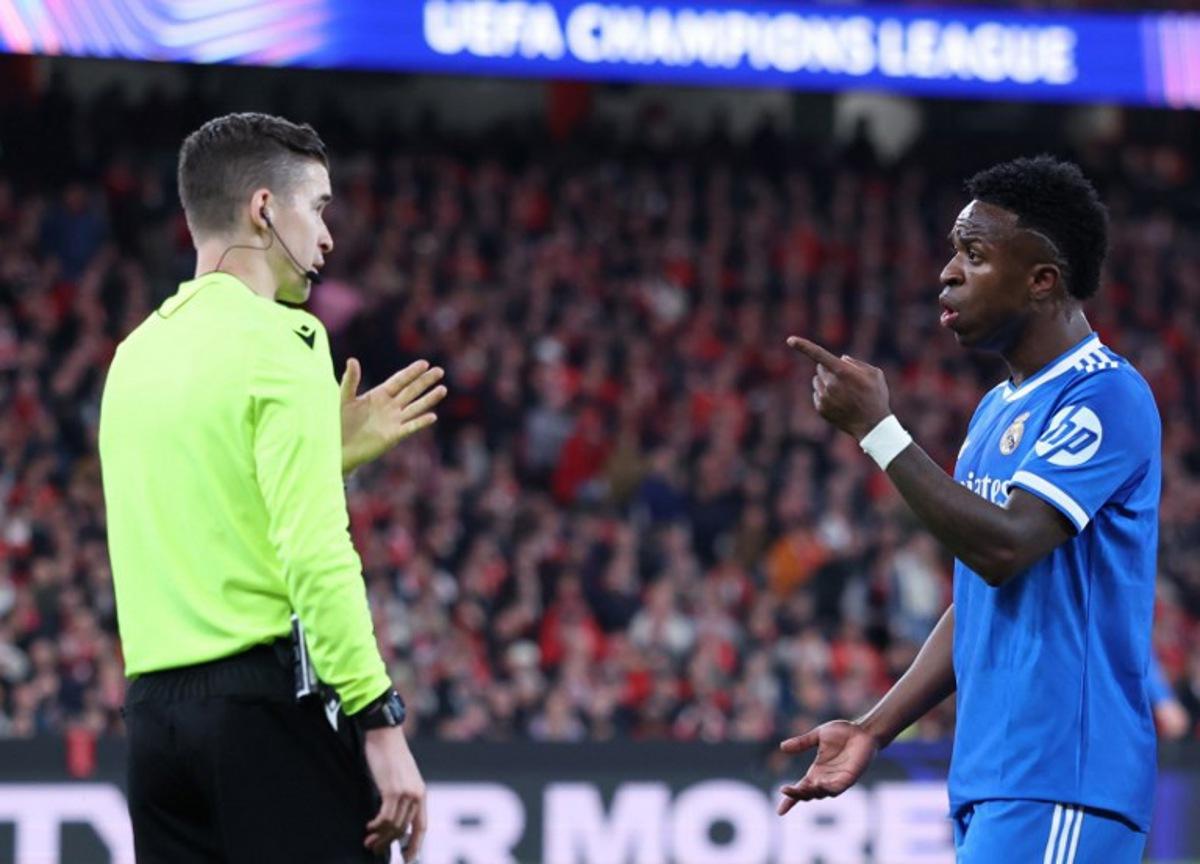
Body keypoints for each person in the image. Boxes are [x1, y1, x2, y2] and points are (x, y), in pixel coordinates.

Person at [779, 156, 1160, 863]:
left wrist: (879, 431)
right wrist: (873, 727)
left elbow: (1007, 546)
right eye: (955, 252)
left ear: (1042, 278)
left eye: (974, 255)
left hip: (1065, 777)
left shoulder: (1106, 395)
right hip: (998, 779)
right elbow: (983, 593)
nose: (947, 272)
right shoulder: (994, 411)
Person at [99, 113, 446, 863]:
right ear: (264, 208)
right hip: (263, 716)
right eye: (318, 207)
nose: (326, 236)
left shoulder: (134, 356)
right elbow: (315, 550)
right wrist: (379, 720)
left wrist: (326, 456)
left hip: (154, 725)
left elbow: (200, 511)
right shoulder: (288, 341)